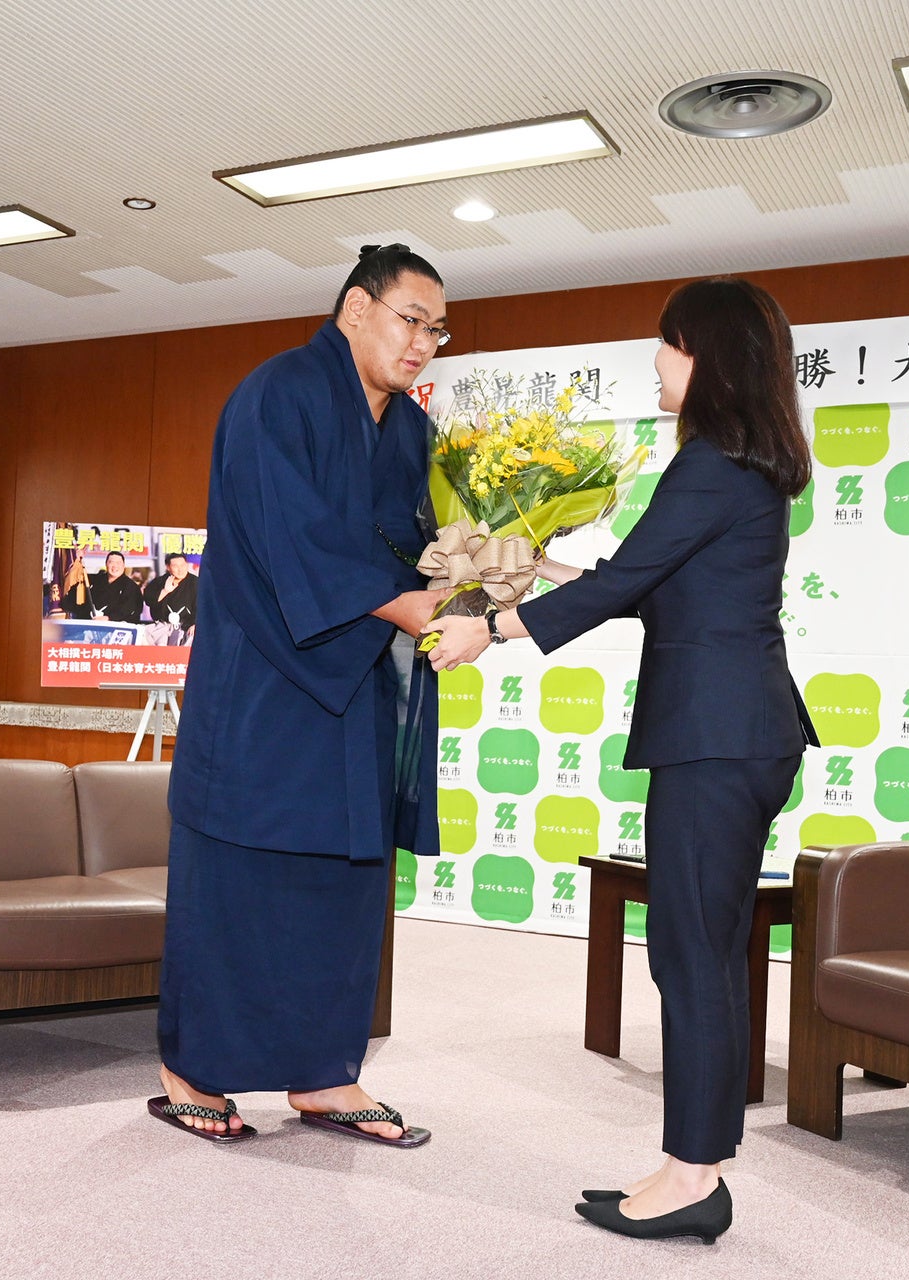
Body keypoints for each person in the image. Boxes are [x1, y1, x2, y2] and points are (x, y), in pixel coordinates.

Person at [428, 276, 819, 1241]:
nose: (656, 360)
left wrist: (491, 629)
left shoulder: (712, 465)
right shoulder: (738, 465)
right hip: (735, 734)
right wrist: (525, 562)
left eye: (670, 343)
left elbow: (629, 583)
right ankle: (693, 1164)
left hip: (718, 738)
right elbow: (645, 586)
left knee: (694, 954)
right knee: (703, 950)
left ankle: (694, 1177)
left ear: (709, 359)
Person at [150, 244, 449, 1146]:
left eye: (438, 331)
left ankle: (325, 1075)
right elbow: (294, 538)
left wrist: (465, 577)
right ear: (356, 308)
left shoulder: (411, 431)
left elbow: (410, 543)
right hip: (267, 681)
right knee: (239, 884)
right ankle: (193, 1071)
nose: (423, 343)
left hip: (356, 686)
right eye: (411, 320)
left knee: (343, 889)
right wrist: (411, 606)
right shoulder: (277, 393)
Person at [142, 550, 198, 643]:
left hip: (186, 626)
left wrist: (195, 624)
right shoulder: (159, 582)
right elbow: (149, 601)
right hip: (162, 626)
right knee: (145, 636)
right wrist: (165, 591)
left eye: (182, 565)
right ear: (168, 567)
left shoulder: (196, 582)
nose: (180, 569)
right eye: (175, 566)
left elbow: (202, 606)